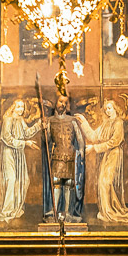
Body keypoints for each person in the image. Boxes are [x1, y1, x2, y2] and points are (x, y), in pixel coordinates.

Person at [78, 101, 128, 224]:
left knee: (106, 182)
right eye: (106, 109)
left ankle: (111, 210)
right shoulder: (106, 123)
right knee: (102, 182)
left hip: (114, 154)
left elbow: (115, 141)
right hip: (106, 155)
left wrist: (94, 148)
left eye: (110, 108)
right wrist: (83, 122)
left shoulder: (118, 122)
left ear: (115, 108)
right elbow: (93, 136)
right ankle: (106, 211)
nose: (107, 111)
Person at [0, 100, 41, 223]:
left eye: (22, 107)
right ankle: (7, 210)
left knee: (23, 180)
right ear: (13, 107)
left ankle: (15, 207)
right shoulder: (8, 120)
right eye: (18, 106)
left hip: (19, 153)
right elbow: (7, 138)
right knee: (11, 179)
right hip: (8, 152)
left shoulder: (20, 120)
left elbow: (27, 133)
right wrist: (25, 143)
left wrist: (38, 125)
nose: (21, 109)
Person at [42, 94, 86, 223]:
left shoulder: (72, 120)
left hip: (70, 155)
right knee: (56, 183)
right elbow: (47, 140)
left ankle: (67, 212)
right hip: (57, 155)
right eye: (61, 101)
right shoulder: (50, 121)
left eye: (65, 102)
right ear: (56, 103)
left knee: (68, 184)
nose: (63, 104)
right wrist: (45, 130)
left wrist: (81, 150)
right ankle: (55, 211)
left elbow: (79, 137)